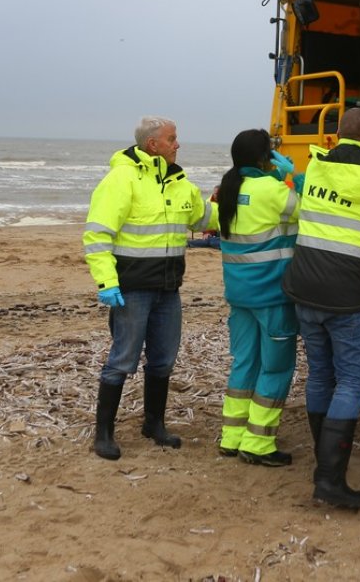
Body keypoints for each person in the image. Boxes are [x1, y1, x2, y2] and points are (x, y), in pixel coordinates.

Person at [282, 108, 360, 509]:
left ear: (337, 135)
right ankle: (330, 480)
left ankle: (325, 467)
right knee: (352, 382)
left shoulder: (317, 165)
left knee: (320, 372)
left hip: (304, 286)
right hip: (345, 296)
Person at [83, 116, 217, 461]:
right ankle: (104, 435)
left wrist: (237, 200)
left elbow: (203, 218)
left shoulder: (178, 180)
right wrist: (107, 283)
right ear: (152, 144)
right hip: (133, 289)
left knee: (162, 361)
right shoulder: (122, 179)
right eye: (172, 139)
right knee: (122, 360)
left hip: (168, 289)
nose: (178, 144)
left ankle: (153, 425)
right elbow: (97, 235)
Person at [215, 129, 302, 467]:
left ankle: (231, 436)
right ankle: (258, 443)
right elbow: (311, 210)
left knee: (244, 364)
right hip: (273, 296)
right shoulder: (273, 189)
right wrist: (291, 175)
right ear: (267, 157)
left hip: (240, 297)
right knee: (276, 368)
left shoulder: (228, 190)